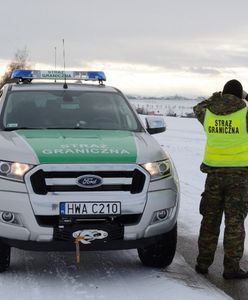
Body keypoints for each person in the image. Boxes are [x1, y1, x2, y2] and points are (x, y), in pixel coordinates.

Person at [193, 79, 248, 280]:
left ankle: (202, 263)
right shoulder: (245, 113)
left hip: (214, 176)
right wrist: (246, 97)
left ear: (223, 93)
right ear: (239, 94)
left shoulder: (208, 113)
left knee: (209, 220)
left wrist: (216, 96)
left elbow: (197, 106)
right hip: (239, 178)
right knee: (234, 223)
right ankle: (231, 268)